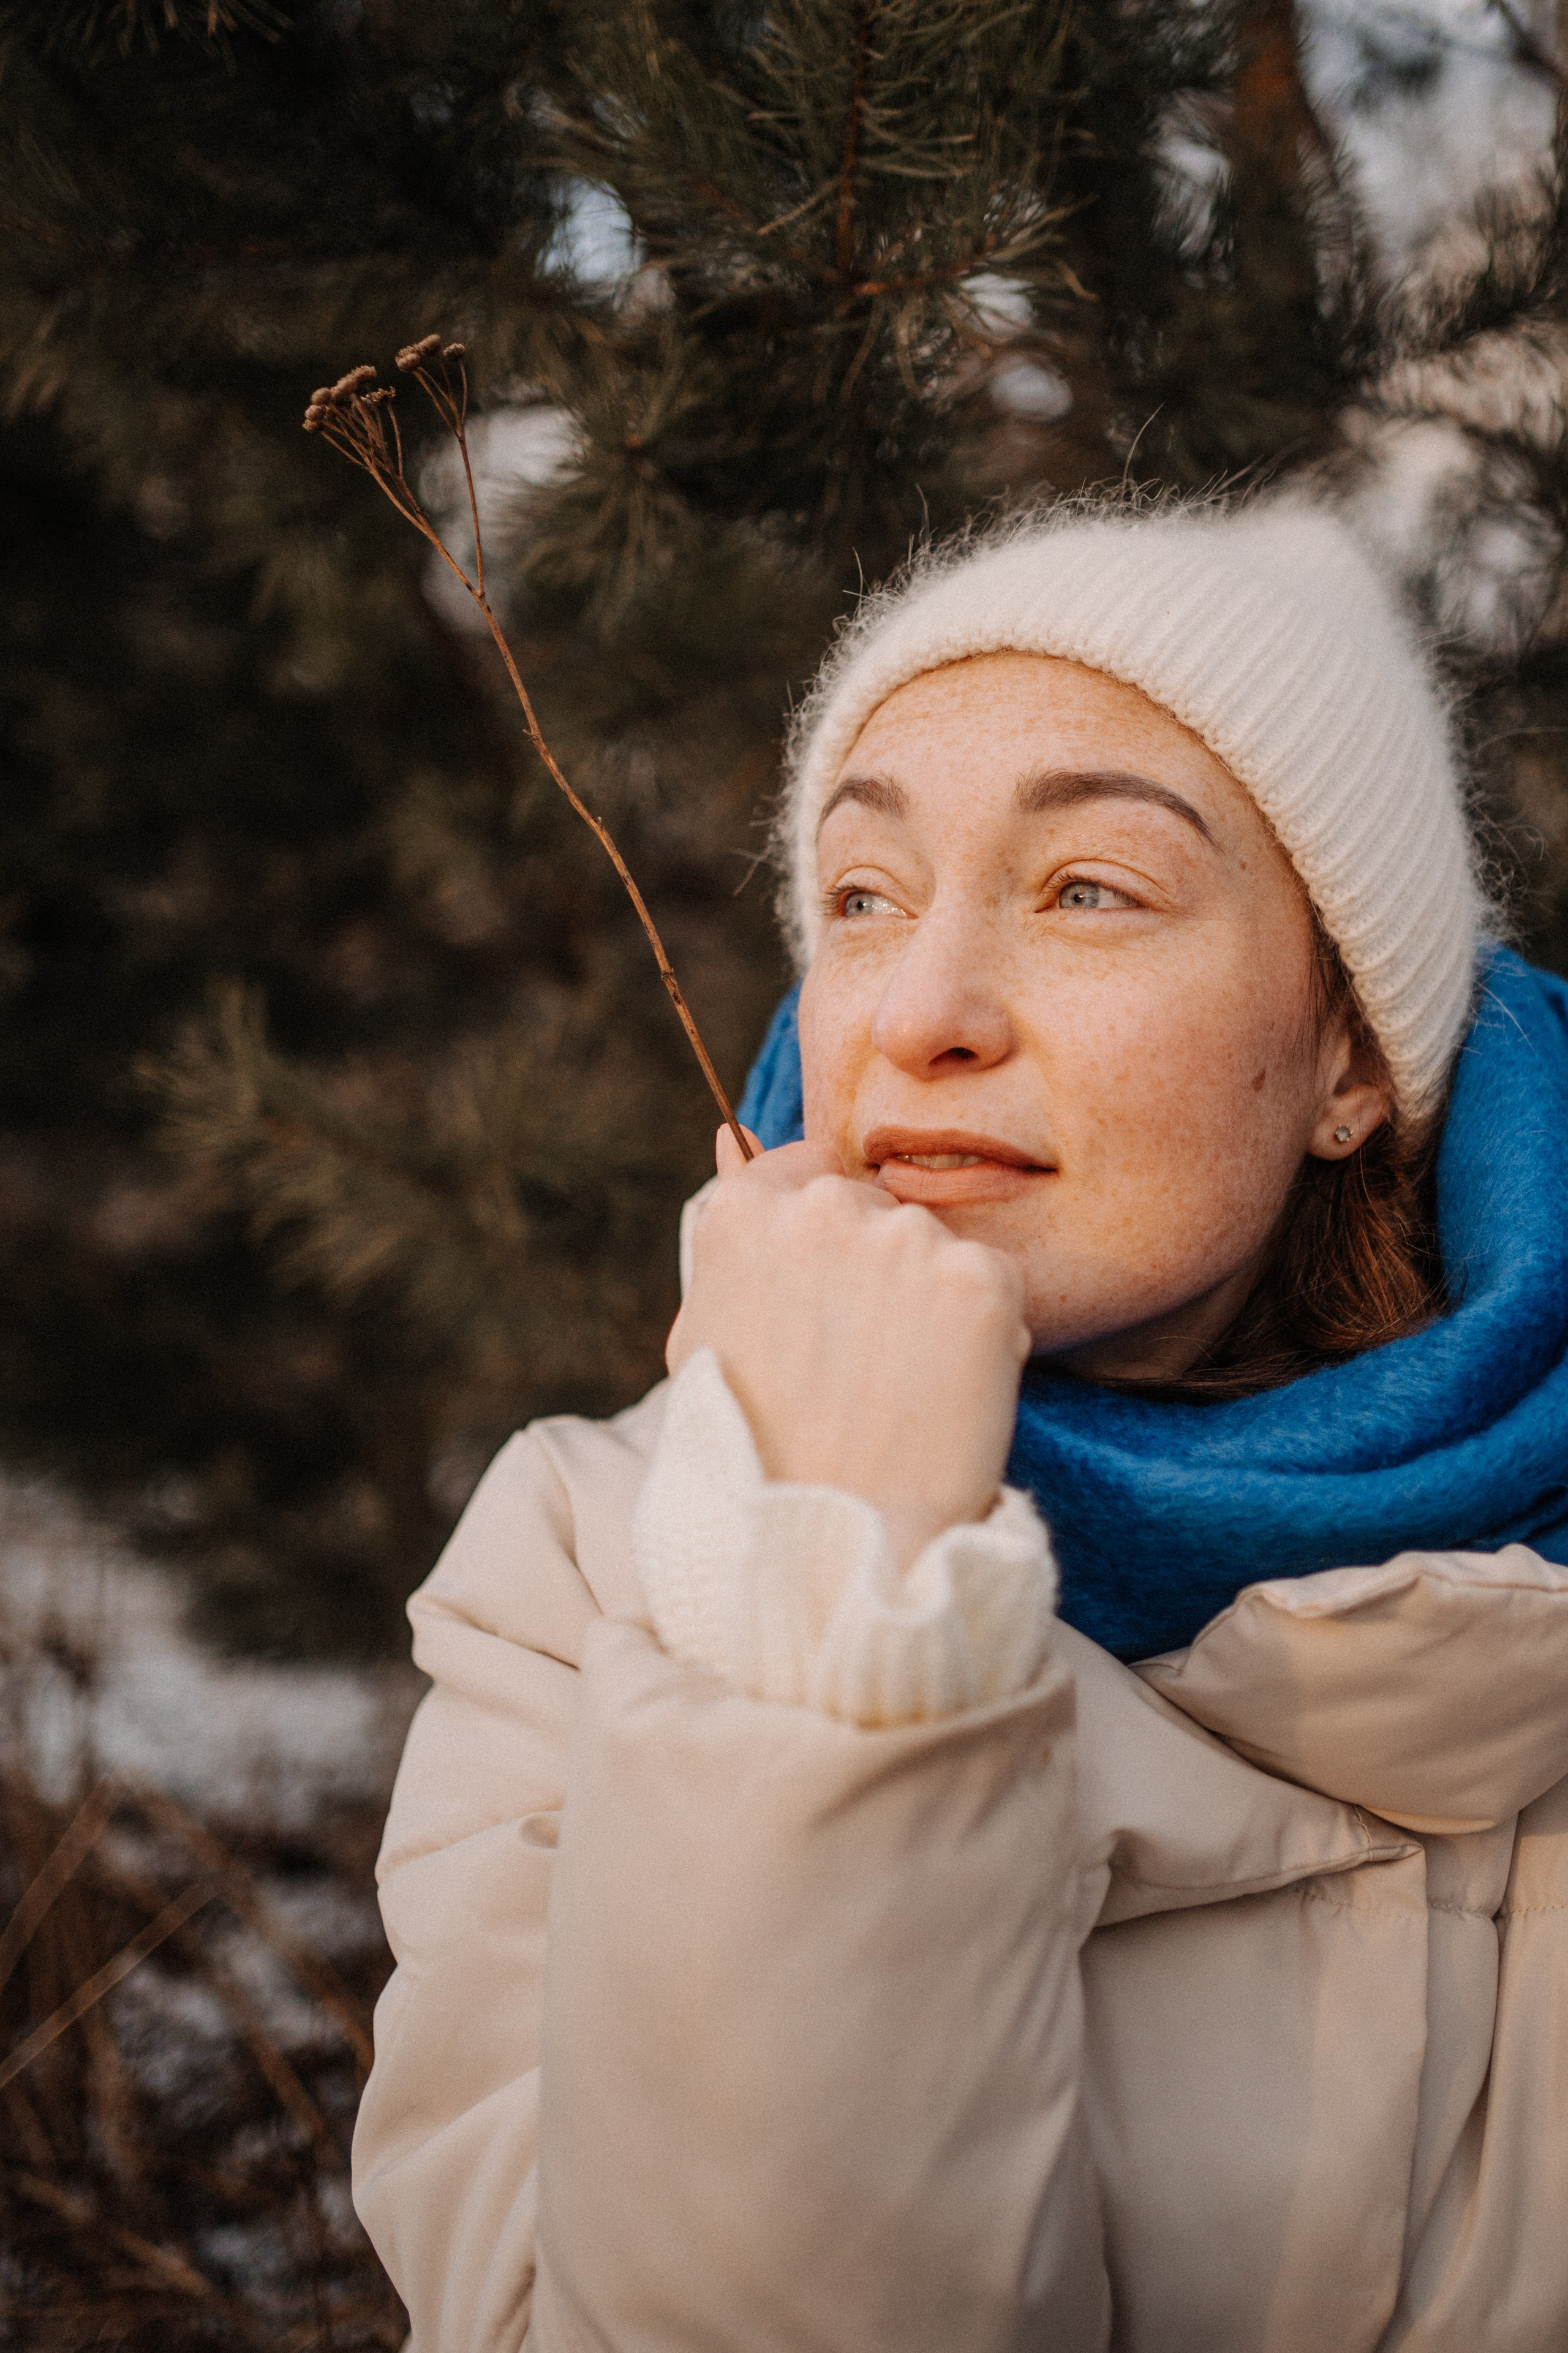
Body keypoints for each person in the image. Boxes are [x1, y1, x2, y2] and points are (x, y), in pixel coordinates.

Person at [350, 496, 1568, 2353]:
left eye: (1090, 887)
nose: (917, 1013)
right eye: (862, 898)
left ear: (1349, 1061)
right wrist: (820, 1605)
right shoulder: (585, 1573)